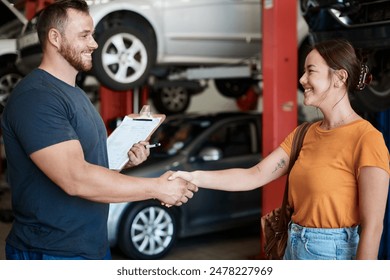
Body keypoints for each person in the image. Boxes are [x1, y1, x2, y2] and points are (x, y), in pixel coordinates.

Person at [1, 0, 197, 260]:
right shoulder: (37, 97)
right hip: (50, 253)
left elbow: (89, 165)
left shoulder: (77, 96)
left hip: (91, 247)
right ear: (55, 38)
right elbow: (75, 178)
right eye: (84, 35)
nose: (94, 43)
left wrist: (122, 160)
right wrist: (156, 188)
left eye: (92, 34)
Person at [169, 39, 390, 260]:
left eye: (310, 71)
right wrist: (193, 177)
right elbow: (253, 175)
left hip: (330, 254)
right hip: (292, 246)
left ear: (339, 78)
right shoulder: (304, 135)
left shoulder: (367, 139)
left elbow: (373, 227)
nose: (302, 79)